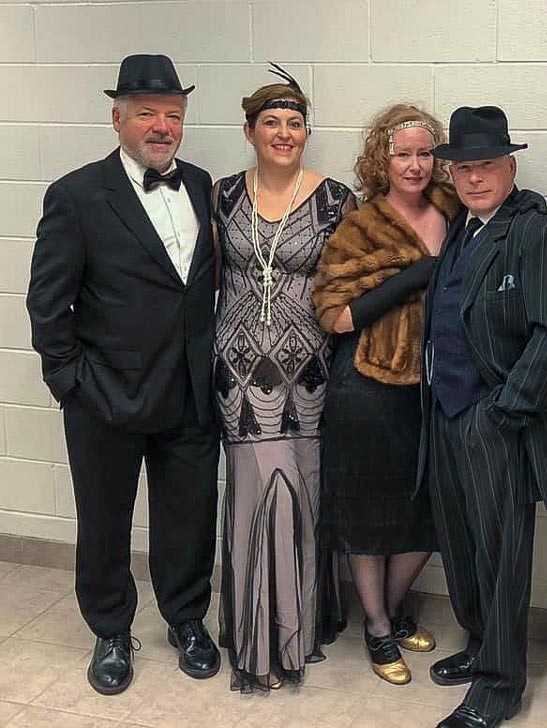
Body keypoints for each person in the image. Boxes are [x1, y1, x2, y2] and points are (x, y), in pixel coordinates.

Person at [26, 54, 220, 695]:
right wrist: (71, 383)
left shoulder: (202, 186)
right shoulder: (77, 195)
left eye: (174, 114)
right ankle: (110, 629)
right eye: (147, 114)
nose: (162, 126)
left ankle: (186, 618)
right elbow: (47, 304)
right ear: (117, 120)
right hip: (105, 395)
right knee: (104, 521)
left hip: (190, 391)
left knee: (190, 516)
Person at [421, 106, 547, 728]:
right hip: (446, 412)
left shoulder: (537, 233)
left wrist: (503, 411)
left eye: (486, 165)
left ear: (510, 167)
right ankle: (482, 644)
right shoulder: (462, 229)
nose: (474, 177)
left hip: (496, 419)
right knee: (461, 546)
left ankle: (499, 686)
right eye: (463, 167)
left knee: (502, 554)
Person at [212, 65, 356, 692]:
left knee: (304, 493)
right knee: (258, 493)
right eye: (271, 122)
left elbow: (352, 285)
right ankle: (260, 643)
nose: (284, 132)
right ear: (249, 131)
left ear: (306, 134)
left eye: (295, 123)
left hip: (312, 372)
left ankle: (300, 625)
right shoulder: (222, 196)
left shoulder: (336, 200)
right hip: (239, 374)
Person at [312, 104, 457, 685]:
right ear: (382, 160)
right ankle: (376, 626)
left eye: (425, 153)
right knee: (367, 514)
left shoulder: (455, 210)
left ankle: (392, 610)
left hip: (436, 391)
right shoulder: (361, 226)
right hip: (367, 390)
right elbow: (335, 316)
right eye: (403, 154)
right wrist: (411, 278)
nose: (415, 165)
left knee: (428, 513)